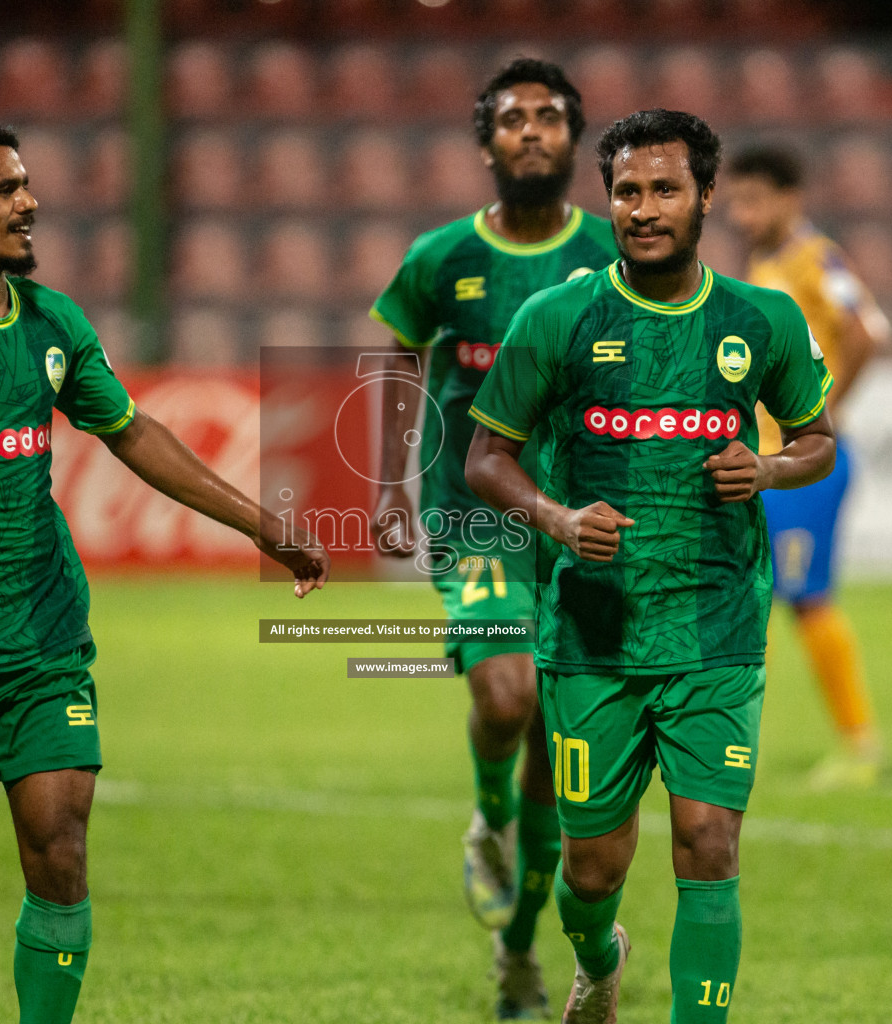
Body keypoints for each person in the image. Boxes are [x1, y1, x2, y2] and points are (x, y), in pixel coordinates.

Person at [0, 112, 327, 1022]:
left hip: (39, 635)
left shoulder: (52, 322)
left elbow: (133, 432)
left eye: (26, 182)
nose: (31, 201)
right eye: (6, 187)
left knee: (60, 849)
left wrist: (261, 523)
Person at [465, 109, 835, 1023]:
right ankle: (598, 958)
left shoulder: (765, 319)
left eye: (665, 188)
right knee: (590, 873)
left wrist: (772, 466)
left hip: (717, 629)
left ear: (706, 197)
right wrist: (555, 517)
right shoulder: (557, 317)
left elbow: (818, 440)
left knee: (708, 843)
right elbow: (485, 458)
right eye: (627, 191)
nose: (643, 208)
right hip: (593, 635)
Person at [369, 57, 616, 1020]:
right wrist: (390, 479)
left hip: (586, 516)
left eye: (550, 118)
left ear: (571, 142)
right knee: (506, 694)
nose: (531, 132)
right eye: (513, 119)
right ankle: (489, 817)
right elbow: (398, 358)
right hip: (474, 503)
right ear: (486, 145)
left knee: (568, 754)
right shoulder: (441, 259)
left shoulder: (611, 254)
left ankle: (519, 952)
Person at [725, 145, 890, 789]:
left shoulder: (812, 259)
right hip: (774, 462)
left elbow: (867, 332)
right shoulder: (769, 262)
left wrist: (829, 409)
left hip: (802, 462)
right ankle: (720, 739)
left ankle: (861, 746)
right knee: (756, 598)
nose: (741, 215)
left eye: (753, 200)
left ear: (791, 197)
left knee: (807, 599)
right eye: (735, 201)